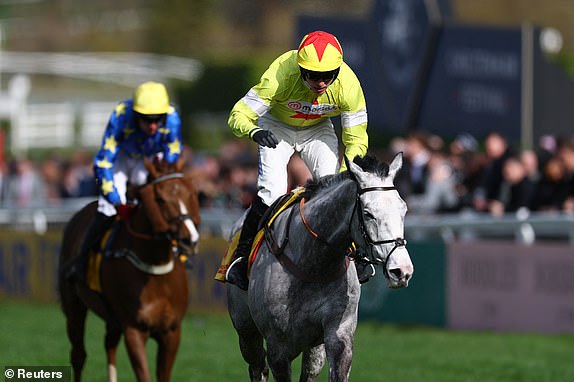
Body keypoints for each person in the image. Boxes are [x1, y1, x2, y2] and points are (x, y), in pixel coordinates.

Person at [225, 31, 369, 290]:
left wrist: (348, 172)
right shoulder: (280, 74)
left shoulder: (349, 85)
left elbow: (356, 139)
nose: (321, 83)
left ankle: (355, 254)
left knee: (335, 191)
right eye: (313, 75)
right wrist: (254, 131)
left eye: (328, 75)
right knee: (272, 192)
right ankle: (241, 257)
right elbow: (238, 114)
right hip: (276, 127)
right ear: (301, 70)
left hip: (317, 129)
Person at [67, 81, 183, 280]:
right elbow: (104, 161)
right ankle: (81, 262)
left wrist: (160, 169)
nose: (153, 126)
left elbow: (173, 152)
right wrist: (115, 200)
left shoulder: (172, 118)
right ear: (136, 114)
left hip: (149, 160)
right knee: (108, 209)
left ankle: (181, 252)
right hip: (120, 159)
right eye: (147, 119)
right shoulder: (121, 115)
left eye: (158, 119)